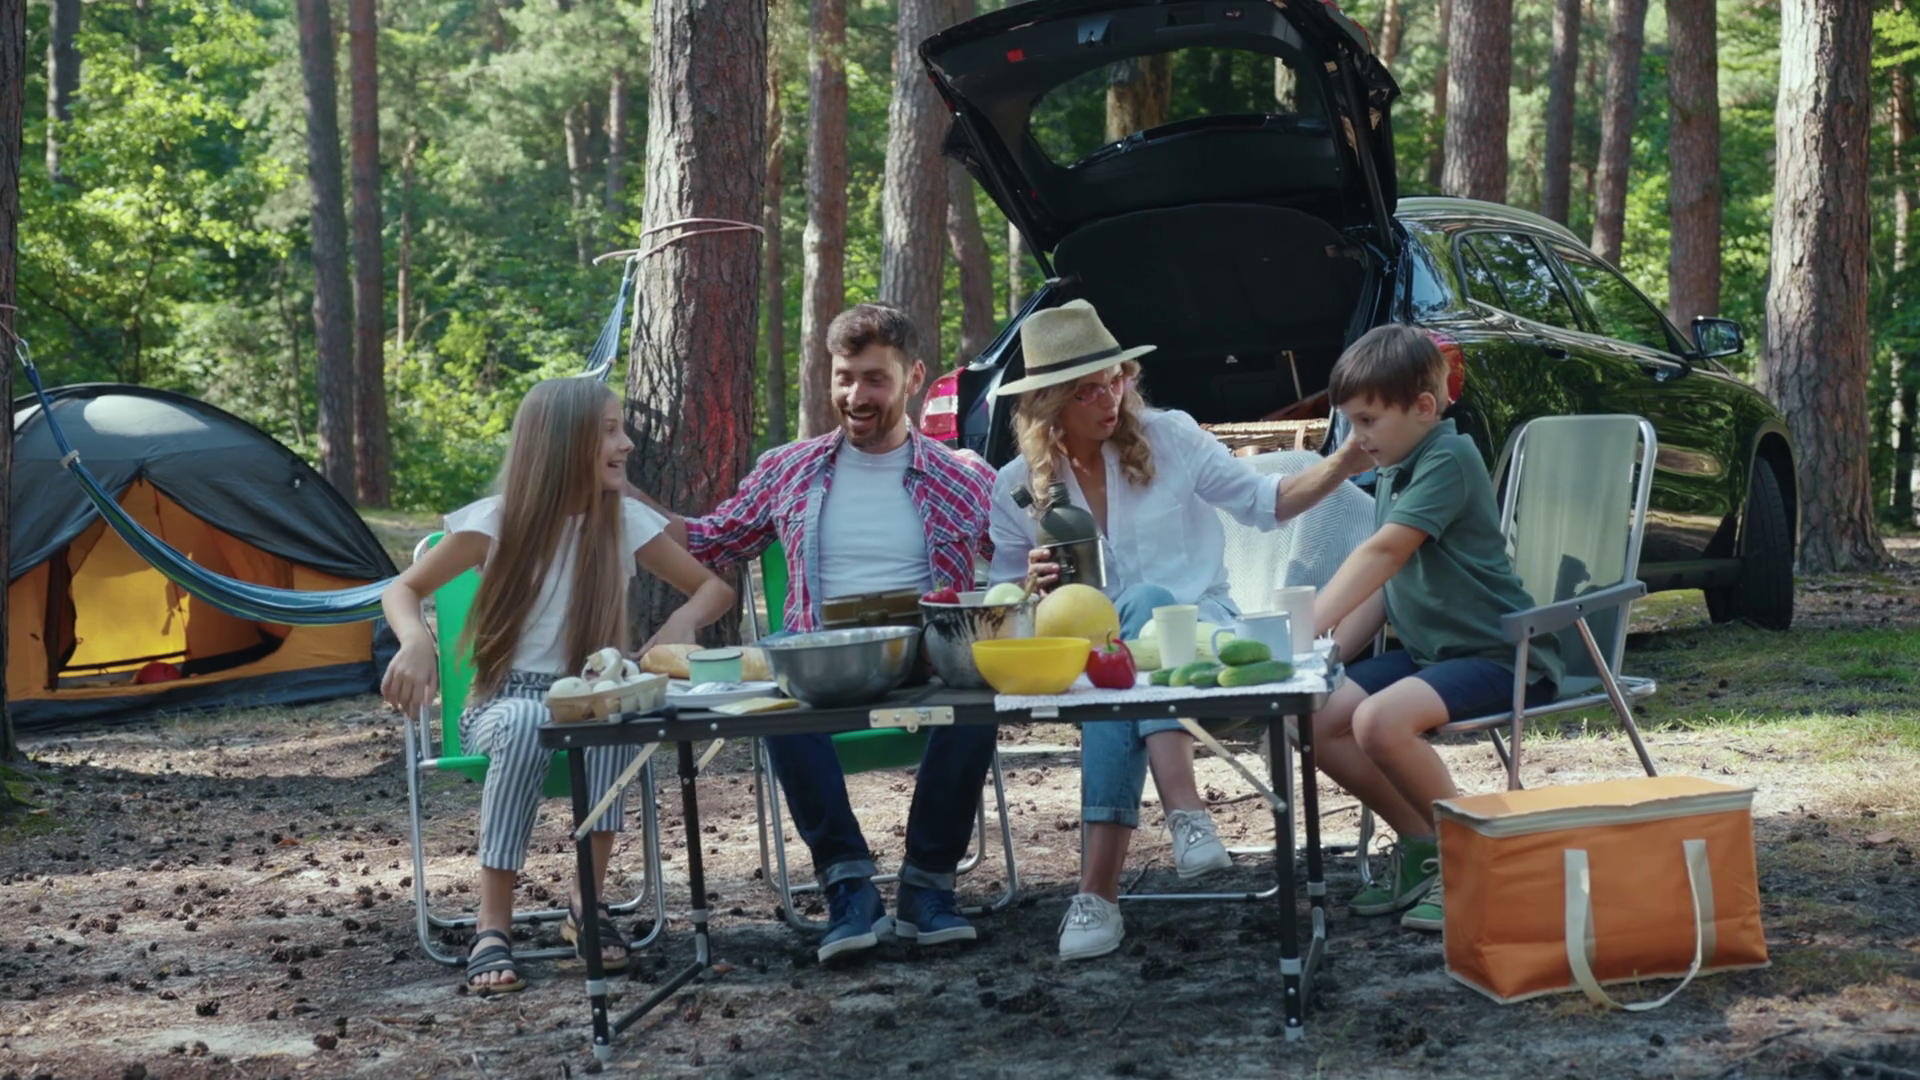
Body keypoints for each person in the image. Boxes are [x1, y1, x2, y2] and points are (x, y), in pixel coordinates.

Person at [986, 299, 1370, 961]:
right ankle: (1185, 818)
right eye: (1087, 391)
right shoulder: (1018, 487)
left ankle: (1099, 894)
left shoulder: (1168, 437)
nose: (1110, 399)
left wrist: (1345, 461)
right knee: (1120, 659)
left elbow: (1266, 503)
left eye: (1116, 379)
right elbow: (1003, 612)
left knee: (1146, 611)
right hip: (1096, 662)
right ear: (1049, 404)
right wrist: (1028, 583)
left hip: (1201, 639)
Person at [630, 303, 999, 963]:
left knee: (977, 698)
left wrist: (1042, 562)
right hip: (824, 670)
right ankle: (848, 889)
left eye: (875, 379)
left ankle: (927, 888)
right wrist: (621, 498)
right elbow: (711, 539)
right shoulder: (789, 468)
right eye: (844, 378)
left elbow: (1017, 562)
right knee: (777, 704)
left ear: (913, 378)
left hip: (927, 668)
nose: (856, 396)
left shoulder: (964, 477)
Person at [380, 378, 736, 994]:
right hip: (504, 703)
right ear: (562, 443)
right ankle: (494, 921)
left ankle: (586, 904)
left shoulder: (622, 520)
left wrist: (681, 623)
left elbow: (714, 588)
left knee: (614, 715)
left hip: (587, 695)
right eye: (609, 431)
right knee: (527, 722)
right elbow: (402, 588)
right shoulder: (496, 522)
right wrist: (417, 642)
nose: (626, 444)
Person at [1308, 324, 1563, 933]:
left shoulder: (1449, 457)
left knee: (1378, 722)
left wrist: (1301, 625)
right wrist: (1323, 655)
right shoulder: (1395, 464)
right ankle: (1423, 842)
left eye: (1367, 420)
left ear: (1424, 407)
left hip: (1500, 652)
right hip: (1432, 654)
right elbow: (1387, 585)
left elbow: (1384, 554)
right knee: (1314, 716)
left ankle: (1471, 854)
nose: (1356, 437)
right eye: (1350, 421)